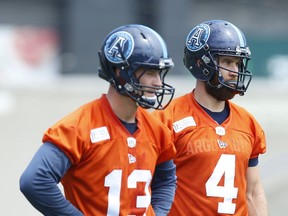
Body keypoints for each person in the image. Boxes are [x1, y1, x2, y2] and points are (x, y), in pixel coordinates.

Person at [20, 24, 177, 216]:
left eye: (159, 73)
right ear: (121, 72)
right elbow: (34, 181)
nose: (158, 83)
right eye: (150, 72)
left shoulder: (156, 129)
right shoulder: (79, 125)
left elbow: (166, 180)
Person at [152, 20, 268, 215]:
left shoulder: (248, 123)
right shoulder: (166, 119)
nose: (236, 71)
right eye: (227, 62)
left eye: (238, 63)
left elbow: (253, 192)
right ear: (201, 64)